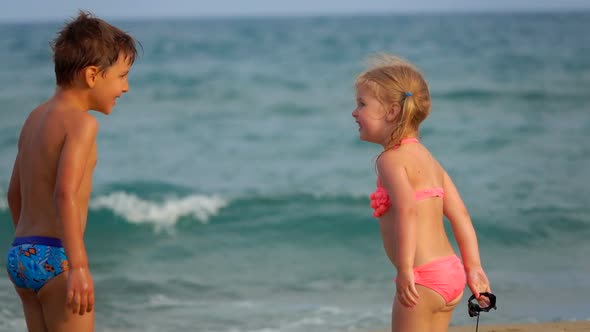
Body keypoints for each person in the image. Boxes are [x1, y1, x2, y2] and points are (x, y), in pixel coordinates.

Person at [5, 11, 138, 331]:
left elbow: (14, 193)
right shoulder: (82, 124)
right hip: (56, 260)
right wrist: (77, 267)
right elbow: (64, 193)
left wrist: (27, 248)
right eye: (121, 76)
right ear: (93, 75)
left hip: (22, 254)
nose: (126, 87)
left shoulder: (35, 117)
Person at [352, 55, 491, 332]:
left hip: (422, 278)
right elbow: (460, 214)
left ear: (391, 111)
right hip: (450, 273)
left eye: (362, 104)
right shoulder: (427, 157)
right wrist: (473, 267)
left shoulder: (389, 160)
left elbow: (407, 210)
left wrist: (405, 270)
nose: (355, 112)